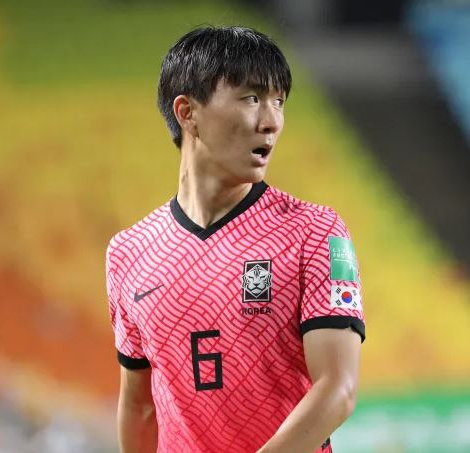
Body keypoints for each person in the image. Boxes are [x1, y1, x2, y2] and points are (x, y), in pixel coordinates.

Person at [106, 26, 365, 453]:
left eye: (279, 102)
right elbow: (140, 406)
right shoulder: (129, 253)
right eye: (251, 98)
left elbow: (338, 389)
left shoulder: (315, 232)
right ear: (188, 112)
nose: (271, 121)